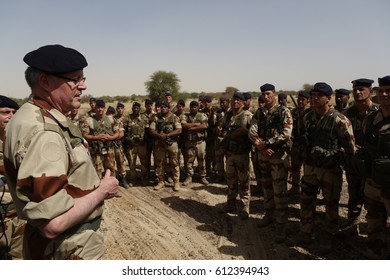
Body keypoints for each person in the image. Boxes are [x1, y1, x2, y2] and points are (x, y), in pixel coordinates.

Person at [4, 44, 119, 259]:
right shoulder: (44, 132)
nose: (83, 86)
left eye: (83, 78)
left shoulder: (30, 115)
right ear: (45, 82)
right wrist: (103, 190)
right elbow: (53, 223)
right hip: (69, 248)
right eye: (75, 79)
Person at [289, 82, 355, 252]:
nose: (314, 98)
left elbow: (350, 150)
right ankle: (305, 232)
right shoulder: (307, 117)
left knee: (331, 205)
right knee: (306, 201)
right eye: (312, 95)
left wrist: (328, 155)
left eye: (318, 96)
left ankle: (329, 235)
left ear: (328, 98)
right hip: (310, 168)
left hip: (330, 170)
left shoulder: (339, 120)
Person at [249, 83, 293, 243]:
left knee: (279, 190)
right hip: (263, 156)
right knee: (266, 187)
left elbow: (286, 134)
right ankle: (269, 215)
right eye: (263, 94)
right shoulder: (259, 112)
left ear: (274, 94)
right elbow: (252, 131)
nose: (266, 97)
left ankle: (281, 223)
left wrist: (266, 143)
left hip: (278, 156)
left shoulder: (284, 111)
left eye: (268, 94)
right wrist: (260, 146)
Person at [339, 79, 378, 236]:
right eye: (355, 89)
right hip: (353, 164)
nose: (358, 92)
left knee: (374, 201)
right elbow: (339, 138)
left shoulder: (378, 113)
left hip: (373, 165)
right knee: (354, 196)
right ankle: (351, 227)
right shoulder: (347, 114)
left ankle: (375, 233)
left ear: (371, 92)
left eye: (362, 89)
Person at [360, 75, 390, 258]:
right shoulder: (371, 119)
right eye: (382, 91)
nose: (384, 94)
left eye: (389, 91)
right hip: (373, 183)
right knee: (374, 222)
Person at [218, 92, 253, 220]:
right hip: (229, 153)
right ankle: (231, 203)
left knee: (244, 181)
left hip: (242, 154)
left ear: (243, 103)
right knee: (231, 180)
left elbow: (253, 131)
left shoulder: (247, 115)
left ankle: (245, 206)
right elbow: (223, 130)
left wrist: (241, 132)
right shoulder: (227, 115)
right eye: (234, 100)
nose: (235, 102)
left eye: (238, 100)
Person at [0, 96, 25, 260]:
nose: (11, 116)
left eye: (15, 112)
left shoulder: (21, 144)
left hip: (21, 218)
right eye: (5, 112)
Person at [81, 99, 123, 181]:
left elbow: (117, 132)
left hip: (109, 149)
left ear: (104, 108)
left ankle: (111, 191)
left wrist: (111, 137)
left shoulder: (111, 119)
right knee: (97, 172)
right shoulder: (89, 120)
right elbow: (84, 135)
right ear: (95, 108)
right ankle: (100, 191)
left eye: (101, 107)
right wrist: (96, 137)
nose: (99, 109)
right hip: (96, 151)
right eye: (98, 107)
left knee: (111, 170)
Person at [149, 100, 182, 191]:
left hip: (172, 143)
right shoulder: (156, 117)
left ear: (169, 108)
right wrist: (159, 135)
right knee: (159, 163)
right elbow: (151, 130)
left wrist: (168, 135)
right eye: (162, 107)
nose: (163, 108)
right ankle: (161, 182)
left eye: (165, 107)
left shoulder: (174, 117)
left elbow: (179, 130)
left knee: (174, 163)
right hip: (159, 144)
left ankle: (176, 182)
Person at [288, 90, 311, 195]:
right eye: (299, 99)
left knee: (308, 169)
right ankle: (295, 187)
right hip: (296, 143)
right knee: (295, 167)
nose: (300, 101)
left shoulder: (311, 112)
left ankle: (307, 190)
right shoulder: (294, 112)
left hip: (307, 145)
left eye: (303, 100)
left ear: (308, 101)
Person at [182, 101, 209, 186]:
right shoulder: (185, 115)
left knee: (202, 159)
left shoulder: (202, 115)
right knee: (189, 160)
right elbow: (183, 125)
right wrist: (197, 124)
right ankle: (189, 176)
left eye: (195, 107)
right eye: (192, 107)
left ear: (198, 107)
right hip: (189, 142)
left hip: (200, 142)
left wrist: (192, 128)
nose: (193, 108)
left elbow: (204, 126)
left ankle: (202, 176)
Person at [122, 102, 149, 186]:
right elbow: (124, 130)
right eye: (134, 108)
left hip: (142, 145)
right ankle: (132, 180)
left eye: (137, 108)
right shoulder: (127, 118)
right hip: (131, 145)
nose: (136, 109)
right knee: (132, 164)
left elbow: (147, 130)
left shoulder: (144, 118)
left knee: (144, 163)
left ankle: (143, 178)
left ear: (139, 109)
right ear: (132, 108)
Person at [113, 102, 129, 188]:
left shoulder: (127, 118)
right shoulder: (113, 118)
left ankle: (124, 178)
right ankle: (118, 178)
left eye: (121, 108)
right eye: (118, 108)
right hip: (117, 142)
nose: (120, 110)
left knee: (123, 161)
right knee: (118, 160)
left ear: (124, 109)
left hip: (126, 142)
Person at [214, 96, 230, 182]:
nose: (222, 104)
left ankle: (229, 177)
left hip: (228, 139)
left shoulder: (232, 112)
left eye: (224, 102)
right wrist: (216, 128)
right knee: (219, 159)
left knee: (228, 159)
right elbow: (212, 124)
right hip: (218, 138)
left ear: (228, 102)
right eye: (221, 102)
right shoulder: (217, 112)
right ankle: (220, 175)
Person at [142, 99, 155, 180]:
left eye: (151, 104)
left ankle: (158, 175)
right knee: (146, 159)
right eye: (148, 104)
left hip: (155, 140)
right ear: (145, 105)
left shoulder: (156, 114)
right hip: (146, 140)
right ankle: (147, 175)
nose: (149, 106)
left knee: (157, 158)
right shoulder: (142, 115)